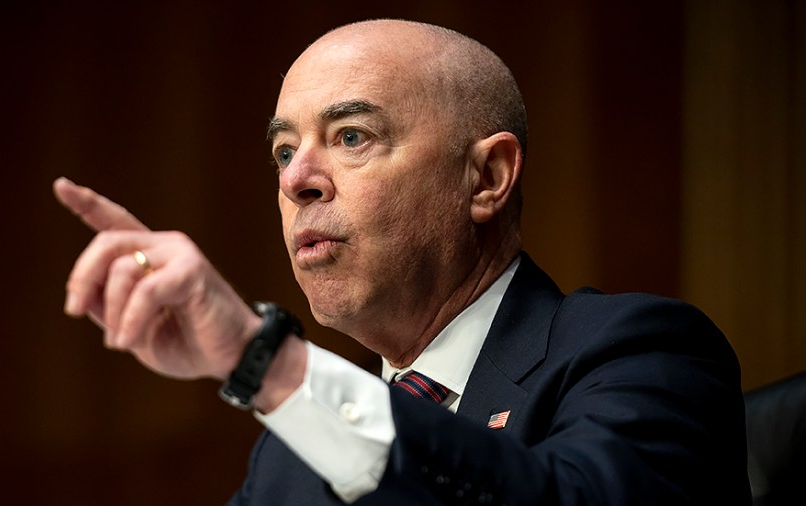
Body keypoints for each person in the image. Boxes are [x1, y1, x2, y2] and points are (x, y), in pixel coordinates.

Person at [53, 19, 752, 505]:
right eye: (284, 151)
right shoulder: (293, 454)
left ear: (487, 178)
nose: (297, 180)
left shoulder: (637, 353)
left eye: (352, 135)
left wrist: (270, 363)